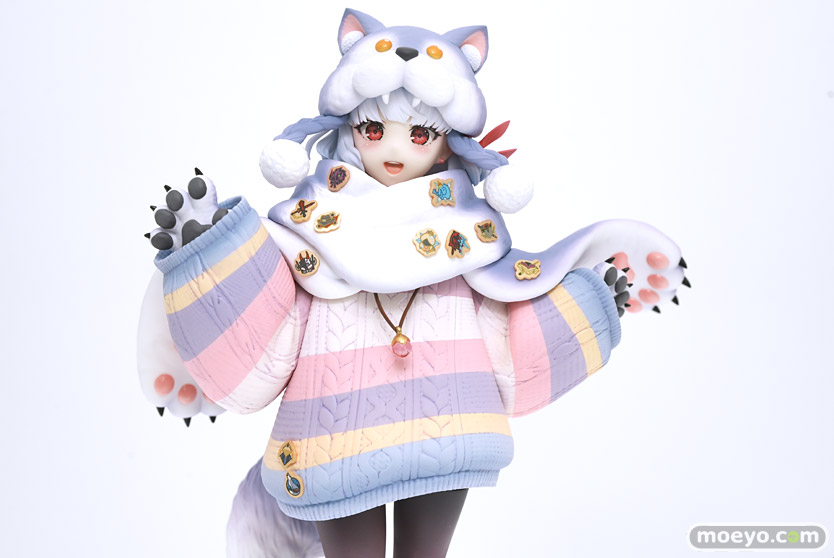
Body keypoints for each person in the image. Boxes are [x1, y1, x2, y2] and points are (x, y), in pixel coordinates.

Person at [138, 8, 687, 557]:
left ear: (447, 147)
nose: (394, 150)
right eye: (374, 130)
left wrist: (585, 304)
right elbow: (274, 340)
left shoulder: (468, 244)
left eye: (419, 135)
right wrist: (215, 258)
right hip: (337, 439)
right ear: (351, 131)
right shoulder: (304, 236)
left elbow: (506, 344)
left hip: (446, 425)